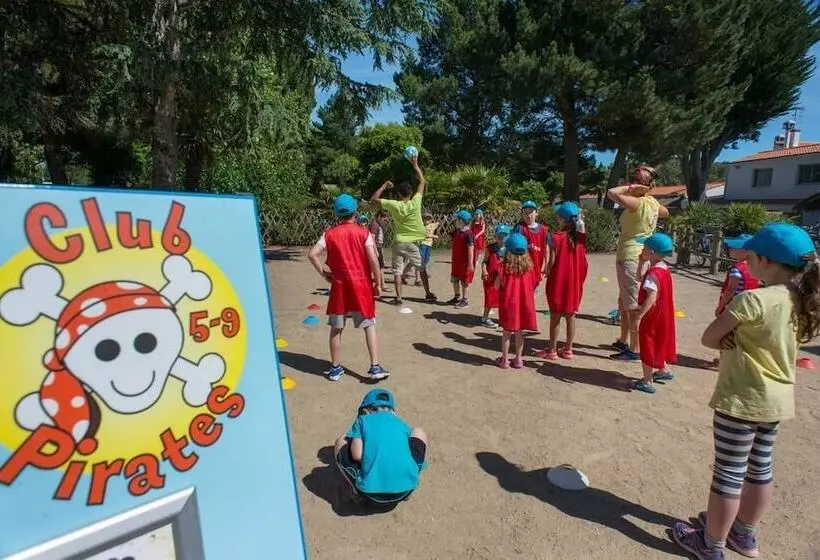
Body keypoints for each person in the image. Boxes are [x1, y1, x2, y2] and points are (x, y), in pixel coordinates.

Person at [672, 223, 820, 560]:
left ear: (765, 260)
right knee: (760, 469)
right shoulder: (803, 300)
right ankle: (744, 535)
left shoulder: (752, 299)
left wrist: (729, 339)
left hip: (741, 400)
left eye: (750, 254)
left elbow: (709, 337)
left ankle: (710, 544)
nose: (745, 258)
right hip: (776, 402)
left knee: (728, 473)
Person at [307, 194, 389, 382]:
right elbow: (373, 259)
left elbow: (312, 254)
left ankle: (335, 369)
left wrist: (324, 273)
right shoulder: (363, 232)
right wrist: (377, 282)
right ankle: (375, 367)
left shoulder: (329, 234)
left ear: (336, 213)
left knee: (337, 328)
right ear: (355, 211)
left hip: (340, 286)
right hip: (361, 285)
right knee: (369, 325)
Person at [607, 166, 670, 361]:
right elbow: (665, 212)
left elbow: (611, 193)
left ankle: (634, 349)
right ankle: (624, 339)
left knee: (632, 303)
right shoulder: (652, 203)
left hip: (631, 255)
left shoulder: (637, 203)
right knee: (624, 301)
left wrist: (630, 188)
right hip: (637, 254)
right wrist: (647, 192)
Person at [334, 388, 428, 506]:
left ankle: (355, 490)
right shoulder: (401, 423)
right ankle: (408, 482)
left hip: (370, 494)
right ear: (392, 411)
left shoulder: (362, 420)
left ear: (365, 411)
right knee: (418, 432)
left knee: (341, 441)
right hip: (406, 490)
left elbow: (357, 455)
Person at [370, 157, 436, 305]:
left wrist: (384, 185)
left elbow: (374, 199)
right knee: (422, 268)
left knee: (397, 271)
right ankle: (428, 293)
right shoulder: (415, 202)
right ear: (411, 192)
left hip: (399, 242)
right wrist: (415, 165)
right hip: (413, 243)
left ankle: (399, 298)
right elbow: (422, 181)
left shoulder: (394, 205)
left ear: (399, 194)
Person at [538, 202, 588, 360]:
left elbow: (552, 261)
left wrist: (546, 271)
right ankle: (568, 349)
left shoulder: (555, 237)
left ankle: (552, 350)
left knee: (555, 316)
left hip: (558, 282)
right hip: (574, 284)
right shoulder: (580, 238)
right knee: (571, 315)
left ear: (561, 218)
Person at [630, 233, 676, 394]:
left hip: (652, 316)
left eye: (645, 248)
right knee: (659, 341)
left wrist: (639, 316)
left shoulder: (653, 274)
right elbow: (639, 277)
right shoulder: (662, 268)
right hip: (663, 314)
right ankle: (663, 369)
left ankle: (647, 379)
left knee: (648, 344)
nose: (641, 249)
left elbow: (652, 296)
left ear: (651, 252)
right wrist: (641, 262)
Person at [495, 232, 537, 369]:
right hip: (523, 305)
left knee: (506, 333)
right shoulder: (530, 268)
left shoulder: (503, 267)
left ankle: (505, 360)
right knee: (519, 333)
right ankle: (518, 360)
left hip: (508, 304)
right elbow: (534, 284)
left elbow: (496, 285)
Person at [513, 200, 550, 294]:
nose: (528, 215)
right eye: (525, 213)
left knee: (533, 291)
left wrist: (546, 264)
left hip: (536, 266)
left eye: (531, 212)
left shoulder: (543, 230)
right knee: (522, 291)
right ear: (522, 214)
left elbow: (546, 248)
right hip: (522, 266)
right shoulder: (519, 228)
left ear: (536, 213)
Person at [481, 224, 510, 328]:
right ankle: (485, 318)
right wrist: (484, 271)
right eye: (499, 236)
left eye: (504, 236)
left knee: (504, 299)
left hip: (504, 278)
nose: (501, 238)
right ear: (495, 237)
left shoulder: (509, 249)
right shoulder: (490, 248)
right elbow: (484, 262)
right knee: (490, 298)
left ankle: (503, 319)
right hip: (490, 278)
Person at [448, 209, 475, 308]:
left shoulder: (468, 234)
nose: (455, 221)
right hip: (456, 261)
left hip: (464, 262)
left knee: (464, 281)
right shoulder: (457, 231)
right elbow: (450, 235)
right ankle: (457, 296)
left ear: (462, 221)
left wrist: (470, 263)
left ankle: (465, 299)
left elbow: (471, 248)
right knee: (455, 279)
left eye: (457, 220)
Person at [368, 210, 390, 292]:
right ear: (379, 217)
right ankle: (381, 284)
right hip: (376, 247)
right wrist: (375, 250)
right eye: (384, 219)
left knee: (380, 266)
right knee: (378, 266)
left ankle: (381, 284)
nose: (385, 221)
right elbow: (372, 238)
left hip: (379, 247)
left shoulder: (379, 224)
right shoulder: (375, 224)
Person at [421, 212, 439, 279]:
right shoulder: (422, 226)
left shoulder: (432, 225)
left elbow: (438, 223)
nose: (427, 220)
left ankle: (423, 270)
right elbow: (425, 235)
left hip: (429, 244)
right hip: (423, 243)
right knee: (422, 258)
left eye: (428, 219)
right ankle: (423, 272)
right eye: (425, 219)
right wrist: (434, 236)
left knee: (427, 258)